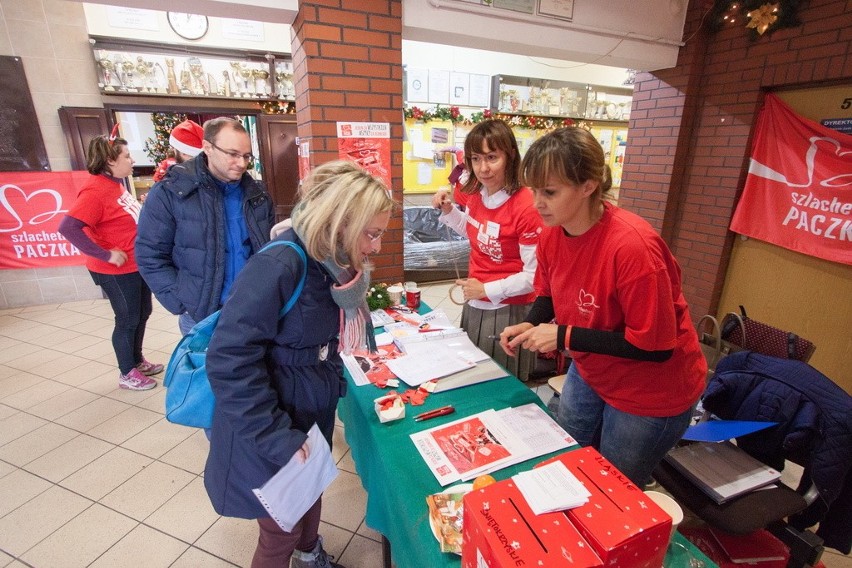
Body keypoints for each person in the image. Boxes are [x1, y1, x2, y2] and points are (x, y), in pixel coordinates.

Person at [203, 160, 394, 568]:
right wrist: (277, 437)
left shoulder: (332, 262)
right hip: (270, 419)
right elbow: (228, 361)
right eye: (372, 233)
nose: (376, 246)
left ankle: (310, 556)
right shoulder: (281, 264)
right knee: (279, 529)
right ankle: (299, 551)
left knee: (310, 493)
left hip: (308, 407)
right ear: (340, 220)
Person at [498, 127, 706, 487]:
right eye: (534, 190)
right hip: (594, 368)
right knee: (566, 458)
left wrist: (563, 335)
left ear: (588, 185)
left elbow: (654, 348)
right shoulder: (553, 232)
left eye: (549, 192)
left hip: (651, 391)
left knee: (612, 487)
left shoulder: (633, 249)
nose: (537, 203)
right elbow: (549, 292)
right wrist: (531, 324)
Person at [135, 117, 275, 335]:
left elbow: (269, 250)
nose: (242, 163)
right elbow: (149, 255)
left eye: (246, 156)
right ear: (208, 147)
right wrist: (181, 300)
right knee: (207, 369)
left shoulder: (257, 195)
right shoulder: (170, 193)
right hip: (202, 317)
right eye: (233, 154)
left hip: (253, 310)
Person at [431, 119, 542, 381]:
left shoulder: (527, 206)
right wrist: (449, 211)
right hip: (476, 298)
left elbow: (535, 276)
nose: (483, 168)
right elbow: (474, 232)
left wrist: (487, 290)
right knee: (474, 375)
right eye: (476, 158)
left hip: (510, 307)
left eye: (492, 157)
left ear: (510, 155)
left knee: (502, 383)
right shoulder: (476, 193)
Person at [58, 132, 161, 391]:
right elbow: (68, 227)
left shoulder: (115, 183)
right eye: (126, 156)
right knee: (127, 319)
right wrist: (106, 254)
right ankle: (127, 373)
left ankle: (137, 361)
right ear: (110, 160)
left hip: (135, 265)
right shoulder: (94, 190)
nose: (132, 160)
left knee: (142, 313)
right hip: (115, 270)